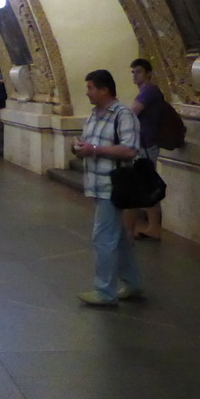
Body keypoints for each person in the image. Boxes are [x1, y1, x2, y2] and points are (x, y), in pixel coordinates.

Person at [72, 69, 144, 306]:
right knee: (119, 237)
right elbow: (90, 142)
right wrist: (80, 146)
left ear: (104, 89)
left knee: (103, 237)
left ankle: (105, 291)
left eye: (91, 87)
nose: (87, 92)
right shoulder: (94, 114)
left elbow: (130, 149)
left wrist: (93, 150)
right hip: (96, 183)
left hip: (113, 186)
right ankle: (132, 282)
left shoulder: (123, 115)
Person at [127, 58, 165, 240]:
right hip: (143, 143)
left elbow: (132, 112)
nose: (135, 75)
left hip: (147, 144)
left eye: (139, 71)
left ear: (149, 73)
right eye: (133, 72)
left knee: (148, 186)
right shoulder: (145, 91)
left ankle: (153, 227)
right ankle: (151, 226)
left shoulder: (149, 91)